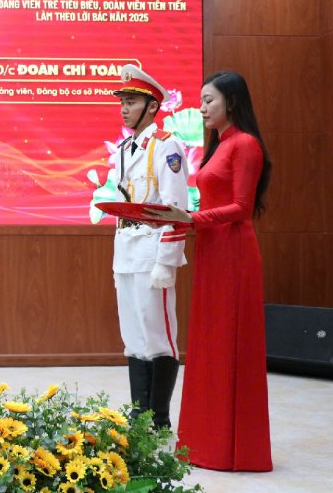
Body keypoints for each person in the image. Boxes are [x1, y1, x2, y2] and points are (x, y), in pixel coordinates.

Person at [146, 71, 273, 471]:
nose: (201, 108)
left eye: (208, 101)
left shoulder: (246, 144)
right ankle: (204, 443)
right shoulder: (219, 145)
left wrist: (193, 220)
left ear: (231, 102)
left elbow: (241, 207)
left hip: (234, 253)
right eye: (200, 101)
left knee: (228, 346)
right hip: (213, 250)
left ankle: (231, 449)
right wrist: (179, 220)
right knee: (209, 345)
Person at [109, 64, 190, 429]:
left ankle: (159, 419)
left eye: (131, 102)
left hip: (153, 250)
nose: (124, 108)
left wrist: (167, 261)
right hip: (127, 251)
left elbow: (177, 207)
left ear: (152, 107)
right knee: (133, 337)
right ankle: (139, 417)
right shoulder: (127, 148)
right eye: (123, 102)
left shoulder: (167, 145)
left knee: (158, 338)